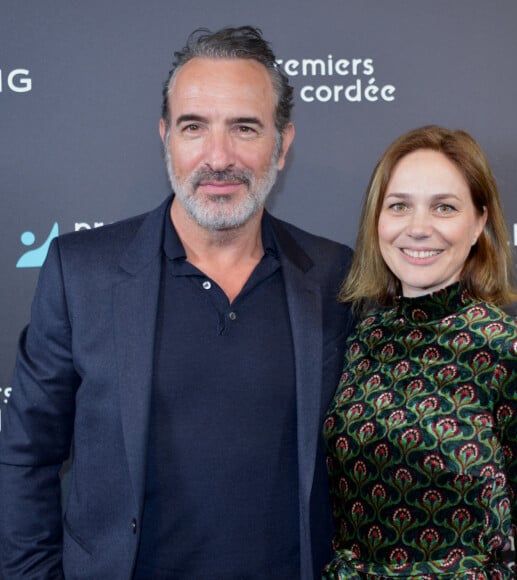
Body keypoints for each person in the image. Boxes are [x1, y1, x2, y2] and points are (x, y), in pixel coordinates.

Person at [0, 26, 352, 579]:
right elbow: (26, 455)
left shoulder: (336, 276)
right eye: (194, 126)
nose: (218, 156)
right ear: (166, 136)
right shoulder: (81, 272)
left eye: (244, 127)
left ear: (282, 145)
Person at [322, 125, 517, 578]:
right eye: (399, 206)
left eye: (444, 207)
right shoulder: (362, 339)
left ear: (479, 222)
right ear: (376, 220)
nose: (418, 228)